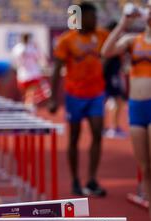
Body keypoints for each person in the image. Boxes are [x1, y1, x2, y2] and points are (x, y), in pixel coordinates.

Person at [101, 1, 151, 221]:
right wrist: (123, 23)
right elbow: (106, 51)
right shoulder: (134, 40)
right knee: (146, 168)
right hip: (137, 107)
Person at [49, 1, 108, 197]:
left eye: (96, 17)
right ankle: (75, 179)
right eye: (92, 17)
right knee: (74, 137)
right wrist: (52, 98)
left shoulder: (101, 36)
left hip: (96, 94)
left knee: (97, 133)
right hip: (74, 95)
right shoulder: (67, 40)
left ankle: (91, 179)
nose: (95, 20)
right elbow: (57, 69)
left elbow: (116, 46)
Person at [103, 21, 128, 138]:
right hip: (111, 76)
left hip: (112, 75)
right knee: (118, 101)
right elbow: (105, 59)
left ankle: (107, 128)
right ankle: (114, 127)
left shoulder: (110, 42)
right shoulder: (111, 43)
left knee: (111, 102)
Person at [12, 33, 49, 107]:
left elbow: (15, 62)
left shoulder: (18, 48)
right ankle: (29, 105)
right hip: (30, 74)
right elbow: (41, 57)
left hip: (25, 75)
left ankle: (29, 104)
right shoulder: (31, 48)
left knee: (30, 93)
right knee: (29, 94)